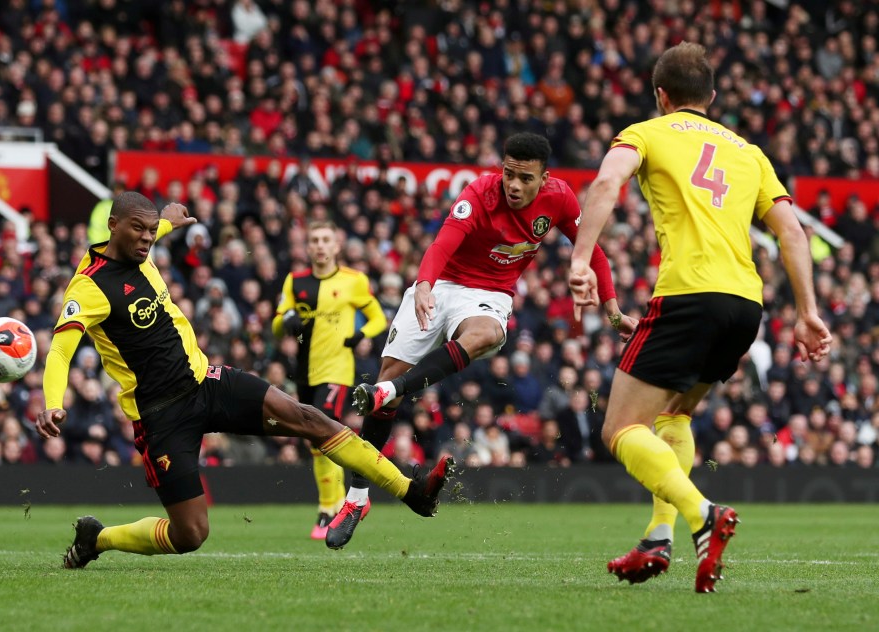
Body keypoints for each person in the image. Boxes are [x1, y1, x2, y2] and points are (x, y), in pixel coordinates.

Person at [36, 192, 451, 569]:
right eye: (137, 230)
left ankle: (411, 492)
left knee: (311, 419)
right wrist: (53, 401)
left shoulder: (141, 244)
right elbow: (59, 350)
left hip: (207, 382)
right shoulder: (89, 286)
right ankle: (98, 538)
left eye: (150, 231)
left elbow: (152, 224)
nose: (147, 239)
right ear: (112, 226)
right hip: (161, 415)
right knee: (190, 534)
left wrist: (168, 220)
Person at [566, 42, 832, 593]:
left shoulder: (646, 132)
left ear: (660, 95)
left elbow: (607, 184)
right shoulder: (749, 151)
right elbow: (790, 232)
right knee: (675, 418)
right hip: (744, 307)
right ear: (711, 97)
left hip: (688, 295)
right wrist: (807, 311)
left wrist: (578, 261)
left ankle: (702, 513)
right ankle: (657, 537)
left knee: (620, 428)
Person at [330, 132, 636, 549]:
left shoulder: (561, 199)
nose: (513, 185)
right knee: (389, 387)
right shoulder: (479, 193)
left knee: (486, 333)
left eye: (524, 178)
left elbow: (593, 251)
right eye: (508, 173)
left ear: (544, 178)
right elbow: (443, 244)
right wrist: (422, 285)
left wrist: (614, 311)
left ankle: (391, 391)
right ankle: (358, 497)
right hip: (441, 284)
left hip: (488, 295)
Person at [272, 220, 387, 540]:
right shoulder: (295, 281)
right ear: (307, 248)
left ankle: (332, 508)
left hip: (336, 370)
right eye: (314, 240)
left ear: (336, 246)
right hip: (305, 371)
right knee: (315, 440)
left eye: (326, 240)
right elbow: (276, 326)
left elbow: (379, 318)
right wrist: (287, 321)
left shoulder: (354, 280)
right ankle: (338, 503)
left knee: (323, 429)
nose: (320, 245)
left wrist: (360, 334)